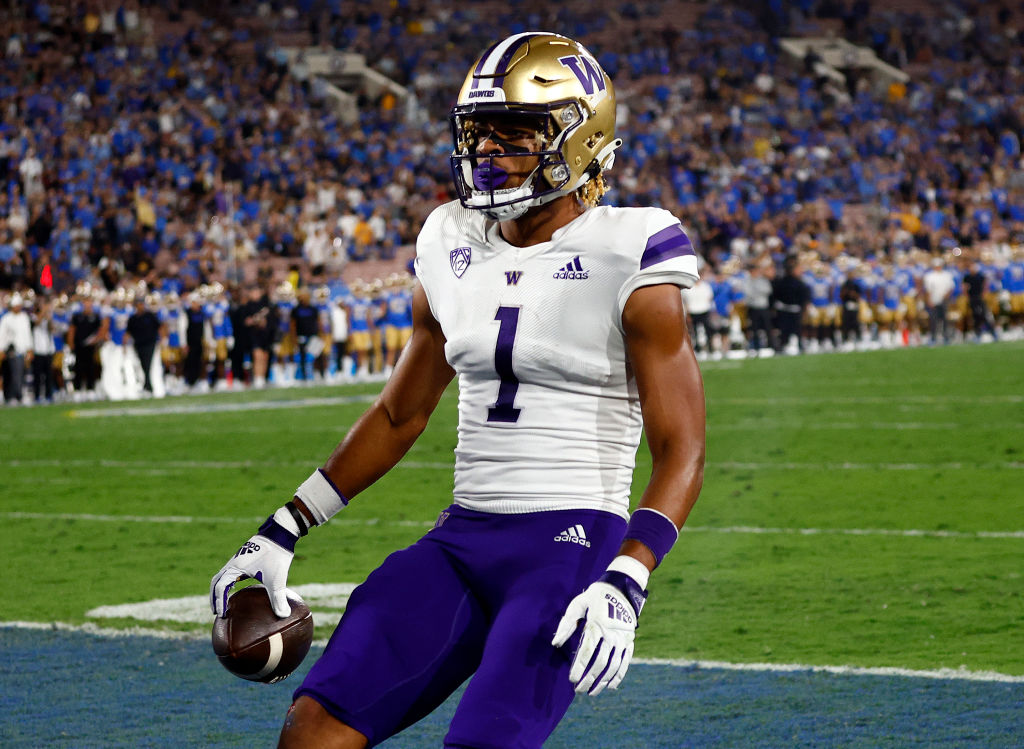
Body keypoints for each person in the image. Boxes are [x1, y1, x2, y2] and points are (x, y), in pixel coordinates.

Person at [210, 32, 706, 749]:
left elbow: (682, 448)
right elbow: (399, 413)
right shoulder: (450, 237)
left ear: (581, 140)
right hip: (463, 537)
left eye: (516, 133)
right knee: (311, 730)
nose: (489, 152)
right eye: (480, 133)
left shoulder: (632, 247)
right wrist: (283, 527)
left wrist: (629, 572)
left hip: (570, 546)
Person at [0, 293, 33, 404]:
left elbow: (27, 334)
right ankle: (13, 396)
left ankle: (20, 394)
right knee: (13, 374)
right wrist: (1, 349)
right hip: (12, 351)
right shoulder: (6, 319)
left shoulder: (24, 317)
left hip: (23, 350)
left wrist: (30, 348)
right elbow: (2, 335)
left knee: (22, 374)